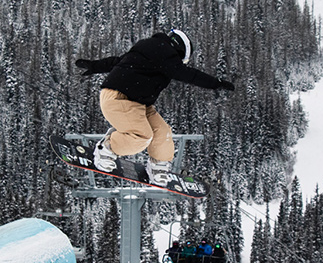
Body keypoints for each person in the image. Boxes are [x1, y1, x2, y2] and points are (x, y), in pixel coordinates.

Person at [74, 29, 234, 185]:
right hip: (119, 97)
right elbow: (186, 74)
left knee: (162, 133)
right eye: (181, 61)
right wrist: (216, 83)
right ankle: (107, 148)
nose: (179, 64)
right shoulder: (164, 54)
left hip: (138, 102)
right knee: (141, 136)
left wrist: (95, 66)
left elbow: (117, 61)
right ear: (179, 51)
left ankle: (158, 167)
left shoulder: (150, 49)